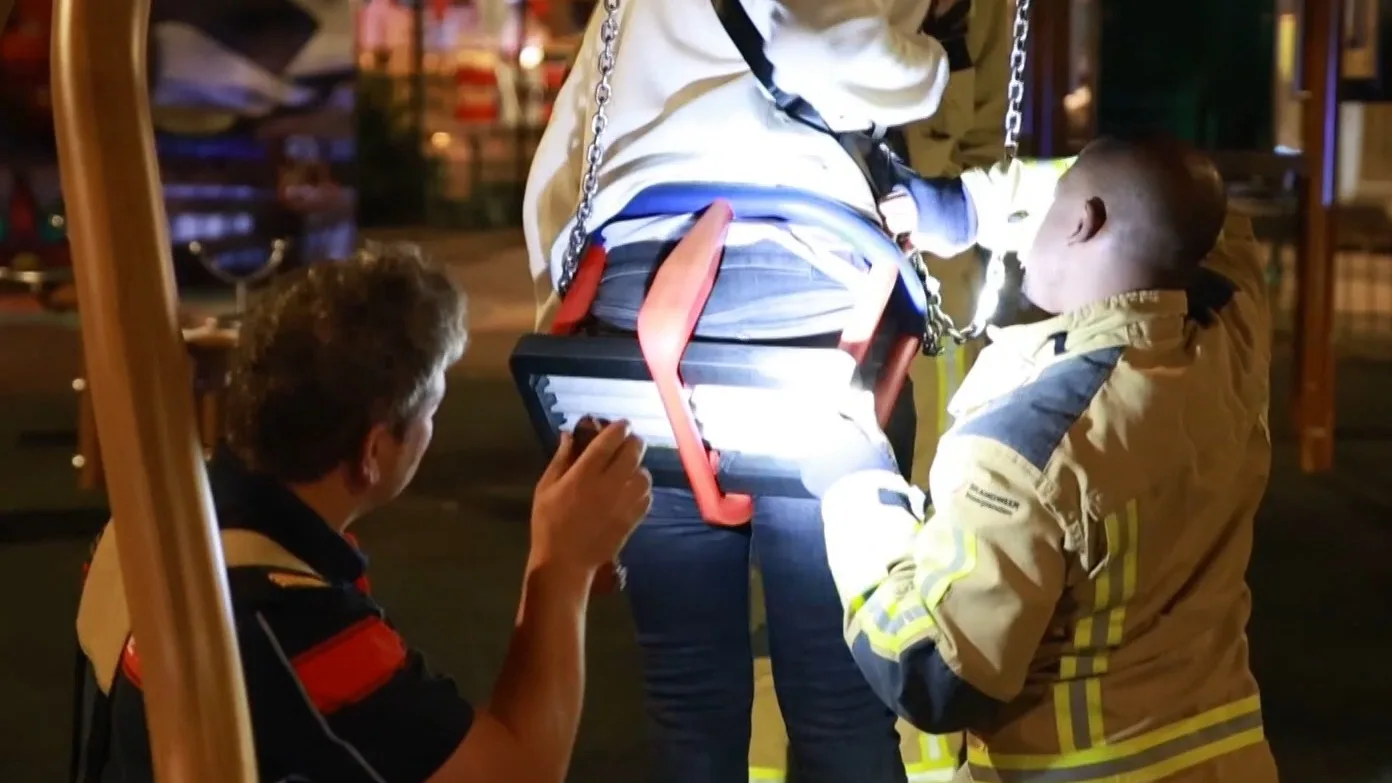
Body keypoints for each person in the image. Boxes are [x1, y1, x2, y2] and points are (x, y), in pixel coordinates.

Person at [521, 3, 1029, 781]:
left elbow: (567, 149)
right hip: (799, 294)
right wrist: (923, 68)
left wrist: (573, 328)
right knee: (837, 697)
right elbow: (817, 41)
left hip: (636, 296)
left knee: (689, 699)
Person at [71, 245, 654, 783]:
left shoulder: (143, 527)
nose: (431, 431)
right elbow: (517, 773)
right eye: (429, 412)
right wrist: (562, 564)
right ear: (373, 452)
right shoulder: (292, 624)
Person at [808, 136, 1280, 781]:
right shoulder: (1232, 337)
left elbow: (937, 673)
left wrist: (858, 488)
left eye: (1047, 206)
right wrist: (972, 209)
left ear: (1084, 220)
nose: (1024, 228)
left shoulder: (1023, 443)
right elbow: (1205, 210)